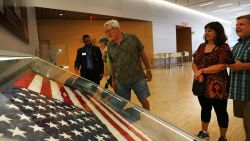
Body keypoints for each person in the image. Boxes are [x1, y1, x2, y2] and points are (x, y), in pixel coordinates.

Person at [192, 22, 232, 141]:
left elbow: (222, 66)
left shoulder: (224, 47)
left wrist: (202, 71)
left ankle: (223, 137)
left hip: (218, 86)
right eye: (205, 30)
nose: (206, 33)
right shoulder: (201, 46)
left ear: (217, 32)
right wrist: (196, 72)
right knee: (205, 109)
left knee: (221, 112)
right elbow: (194, 62)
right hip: (201, 84)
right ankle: (204, 133)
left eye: (210, 30)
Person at [103, 19, 152, 110]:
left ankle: (147, 118)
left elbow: (142, 53)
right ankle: (127, 122)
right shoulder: (110, 46)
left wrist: (148, 70)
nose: (108, 33)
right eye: (106, 32)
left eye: (109, 30)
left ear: (117, 28)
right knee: (124, 103)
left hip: (137, 77)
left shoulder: (132, 38)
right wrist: (113, 80)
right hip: (121, 81)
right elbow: (113, 64)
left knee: (143, 100)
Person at [228, 14, 250, 141]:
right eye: (236, 25)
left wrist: (242, 66)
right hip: (240, 91)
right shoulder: (237, 45)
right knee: (246, 121)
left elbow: (240, 65)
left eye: (241, 24)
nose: (237, 27)